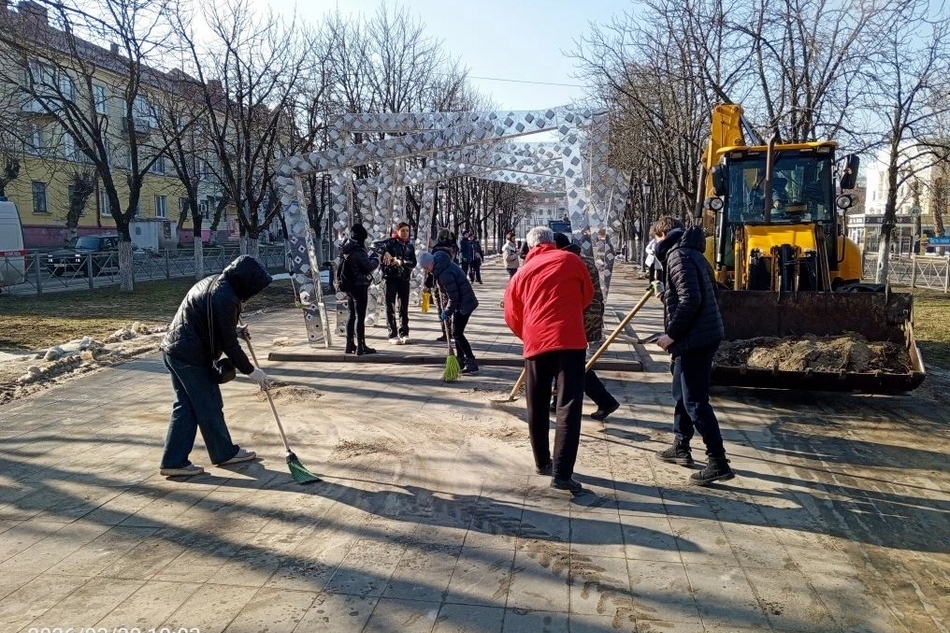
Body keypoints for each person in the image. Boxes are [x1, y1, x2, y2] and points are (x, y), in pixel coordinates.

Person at [158, 255, 272, 477]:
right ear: (245, 280)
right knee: (209, 404)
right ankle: (223, 453)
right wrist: (251, 371)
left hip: (174, 350)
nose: (255, 293)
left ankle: (173, 461)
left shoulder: (216, 283)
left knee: (187, 406)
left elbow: (210, 323)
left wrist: (235, 330)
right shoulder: (225, 297)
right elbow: (228, 343)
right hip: (190, 357)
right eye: (255, 287)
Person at [504, 226, 593, 494]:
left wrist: (528, 333)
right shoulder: (571, 260)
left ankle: (542, 462)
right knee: (568, 405)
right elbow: (586, 296)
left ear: (530, 247)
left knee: (537, 404)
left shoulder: (521, 274)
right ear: (553, 242)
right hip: (570, 340)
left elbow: (511, 313)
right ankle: (563, 474)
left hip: (536, 343)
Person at [651, 215, 735, 486]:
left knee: (695, 401)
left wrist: (671, 335)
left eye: (655, 238)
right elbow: (688, 293)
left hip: (695, 339)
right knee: (681, 393)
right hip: (701, 335)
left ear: (663, 234)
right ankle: (681, 446)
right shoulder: (693, 253)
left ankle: (718, 462)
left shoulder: (677, 256)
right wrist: (664, 294)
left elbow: (691, 299)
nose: (654, 244)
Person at [553, 232, 620, 421]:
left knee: (572, 363)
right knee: (563, 361)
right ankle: (556, 401)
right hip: (586, 317)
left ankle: (605, 400)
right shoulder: (583, 260)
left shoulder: (568, 263)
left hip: (578, 319)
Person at [418, 250, 480, 374]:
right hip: (462, 302)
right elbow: (430, 283)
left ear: (430, 264)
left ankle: (471, 361)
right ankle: (461, 360)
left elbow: (454, 297)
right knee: (457, 332)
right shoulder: (440, 264)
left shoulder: (445, 273)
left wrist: (447, 312)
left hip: (464, 304)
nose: (426, 270)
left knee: (457, 333)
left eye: (426, 268)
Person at [340, 223, 380, 355]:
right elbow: (368, 266)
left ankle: (349, 344)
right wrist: (375, 259)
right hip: (359, 286)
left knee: (351, 315)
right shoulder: (358, 250)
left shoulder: (347, 249)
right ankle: (361, 347)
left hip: (349, 286)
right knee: (360, 316)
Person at [378, 222, 417, 345]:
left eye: (407, 230)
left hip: (404, 279)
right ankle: (392, 334)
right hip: (390, 278)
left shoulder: (410, 246)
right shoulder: (390, 243)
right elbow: (375, 245)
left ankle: (404, 333)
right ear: (397, 231)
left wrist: (402, 262)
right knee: (390, 307)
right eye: (403, 230)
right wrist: (385, 252)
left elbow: (413, 263)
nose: (405, 233)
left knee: (403, 307)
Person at [428, 228, 458, 342]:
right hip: (453, 280)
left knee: (442, 307)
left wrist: (429, 280)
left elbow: (432, 267)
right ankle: (453, 332)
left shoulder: (438, 250)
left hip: (440, 281)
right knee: (451, 307)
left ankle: (446, 332)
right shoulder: (454, 249)